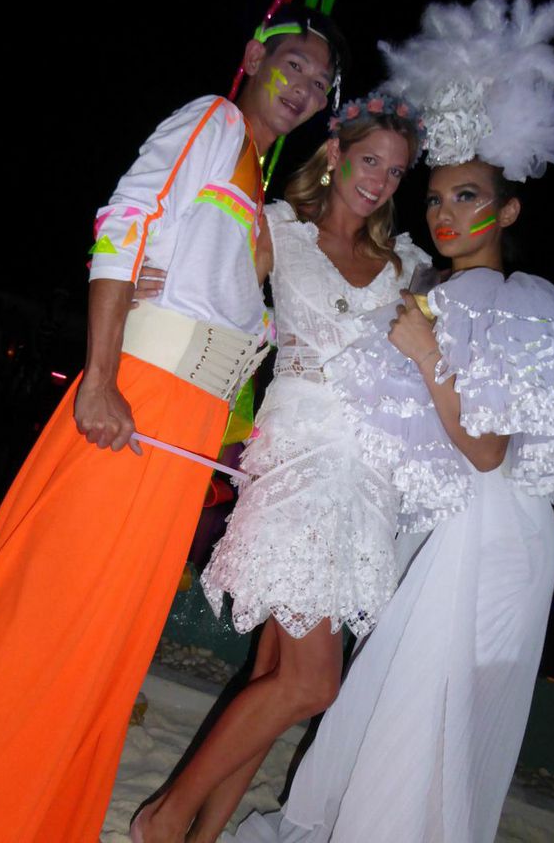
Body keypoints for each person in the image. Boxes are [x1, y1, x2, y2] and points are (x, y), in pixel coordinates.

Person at [0, 5, 345, 843]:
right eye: (293, 64)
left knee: (99, 640)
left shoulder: (255, 180)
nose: (304, 86)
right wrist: (101, 374)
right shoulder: (213, 119)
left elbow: (208, 299)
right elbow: (124, 220)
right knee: (40, 620)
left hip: (183, 435)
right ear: (254, 56)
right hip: (138, 407)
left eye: (320, 80)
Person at [225, 0, 554, 843]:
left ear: (507, 211)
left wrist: (426, 355)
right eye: (436, 197)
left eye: (468, 196)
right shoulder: (433, 287)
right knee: (395, 709)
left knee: (427, 717)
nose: (445, 215)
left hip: (494, 531)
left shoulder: (516, 300)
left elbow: (486, 450)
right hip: (444, 522)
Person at [133, 90, 430, 843]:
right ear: (334, 154)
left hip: (366, 484)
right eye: (369, 160)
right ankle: (162, 819)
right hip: (297, 464)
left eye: (395, 171)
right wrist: (146, 280)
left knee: (275, 676)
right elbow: (208, 282)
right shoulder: (278, 229)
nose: (379, 181)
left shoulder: (407, 266)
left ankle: (202, 836)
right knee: (310, 683)